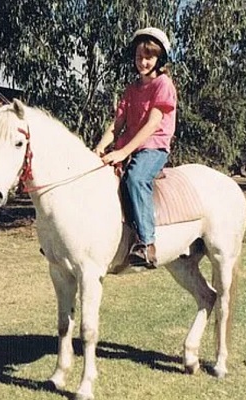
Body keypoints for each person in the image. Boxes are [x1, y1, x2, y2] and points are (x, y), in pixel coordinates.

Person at [94, 27, 177, 269]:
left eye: (148, 57)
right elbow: (117, 124)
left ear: (159, 59)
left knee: (135, 179)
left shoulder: (164, 85)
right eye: (139, 57)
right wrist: (99, 148)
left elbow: (152, 124)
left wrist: (122, 152)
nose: (143, 62)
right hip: (128, 147)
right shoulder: (131, 89)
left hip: (153, 148)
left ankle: (146, 244)